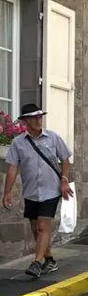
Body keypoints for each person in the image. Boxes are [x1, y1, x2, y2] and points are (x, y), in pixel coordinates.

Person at [2, 103, 73, 278]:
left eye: (40, 116)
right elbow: (12, 168)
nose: (38, 120)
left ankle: (37, 262)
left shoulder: (53, 138)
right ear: (25, 121)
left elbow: (65, 159)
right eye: (34, 117)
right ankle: (49, 259)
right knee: (36, 229)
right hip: (31, 192)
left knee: (43, 226)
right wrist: (7, 192)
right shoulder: (18, 143)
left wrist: (64, 180)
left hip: (51, 190)